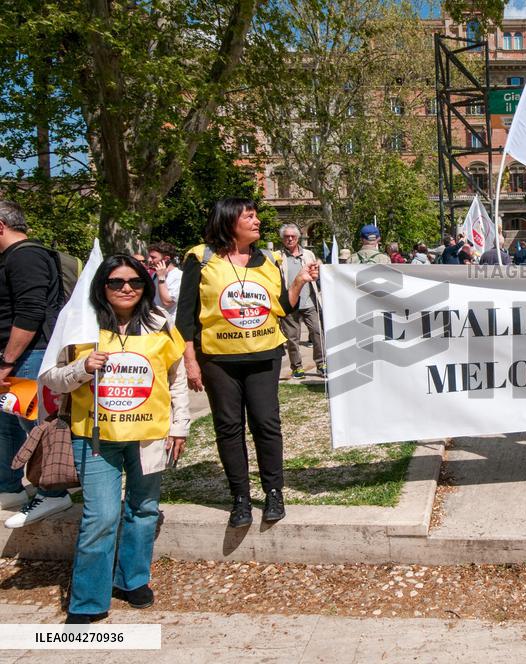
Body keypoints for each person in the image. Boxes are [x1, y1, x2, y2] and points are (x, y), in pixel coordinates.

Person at [39, 255, 189, 624]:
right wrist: (81, 369)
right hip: (95, 438)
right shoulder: (79, 325)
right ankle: (88, 599)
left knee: (143, 510)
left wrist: (179, 425)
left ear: (146, 285)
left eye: (136, 282)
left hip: (149, 435)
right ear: (101, 286)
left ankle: (132, 579)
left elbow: (176, 376)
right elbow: (51, 377)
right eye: (117, 282)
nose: (127, 289)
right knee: (100, 517)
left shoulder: (158, 323)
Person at [176, 198, 319, 528]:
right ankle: (240, 498)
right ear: (229, 221)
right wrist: (190, 360)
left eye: (256, 217)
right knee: (228, 427)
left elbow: (283, 306)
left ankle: (273, 492)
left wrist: (299, 282)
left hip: (264, 355)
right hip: (218, 359)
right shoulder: (200, 258)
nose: (257, 222)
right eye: (249, 217)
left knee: (266, 424)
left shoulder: (268, 259)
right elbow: (185, 317)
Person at [0, 200, 72, 527]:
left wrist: (7, 361)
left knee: (37, 427)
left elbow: (30, 314)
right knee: (9, 426)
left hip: (29, 356)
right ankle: (9, 487)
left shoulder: (26, 256)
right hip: (18, 358)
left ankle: (54, 493)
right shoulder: (14, 258)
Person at [277, 224, 324, 379]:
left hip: (309, 301)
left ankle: (321, 363)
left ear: (297, 237)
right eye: (286, 236)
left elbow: (319, 273)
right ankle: (297, 367)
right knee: (292, 338)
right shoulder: (277, 257)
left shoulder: (308, 254)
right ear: (282, 238)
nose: (289, 239)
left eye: (292, 236)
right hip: (290, 303)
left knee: (317, 333)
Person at [147, 241, 182, 322]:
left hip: (168, 324)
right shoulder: (155, 274)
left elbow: (167, 302)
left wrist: (162, 279)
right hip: (153, 321)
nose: (149, 260)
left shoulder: (178, 276)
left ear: (166, 259)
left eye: (153, 257)